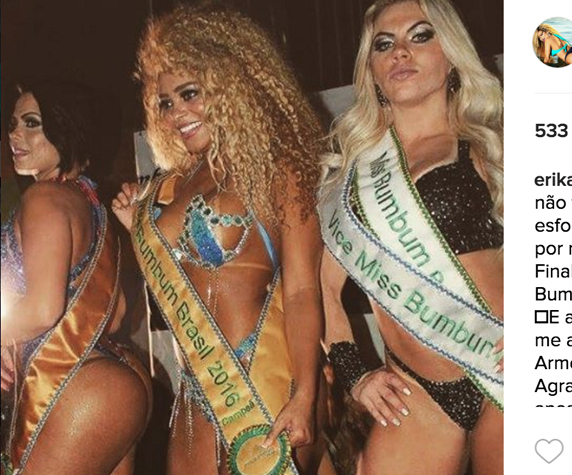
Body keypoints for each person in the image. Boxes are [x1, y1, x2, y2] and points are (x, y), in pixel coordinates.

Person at [112, 4, 334, 475]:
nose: (176, 114)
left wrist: (305, 394)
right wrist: (137, 226)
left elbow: (301, 290)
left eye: (189, 94)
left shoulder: (280, 170)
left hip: (265, 383)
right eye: (165, 103)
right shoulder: (171, 186)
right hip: (196, 392)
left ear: (231, 84)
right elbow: (177, 282)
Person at [319, 0, 504, 474]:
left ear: (452, 56)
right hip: (415, 391)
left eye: (420, 36)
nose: (400, 51)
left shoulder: (493, 145)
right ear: (372, 71)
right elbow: (325, 293)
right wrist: (356, 376)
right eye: (384, 44)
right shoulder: (350, 176)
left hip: (505, 370)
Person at [0, 81, 151, 475]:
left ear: (65, 128)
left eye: (32, 123)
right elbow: (116, 315)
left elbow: (43, 309)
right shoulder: (92, 204)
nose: (15, 134)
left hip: (78, 387)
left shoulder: (43, 199)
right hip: (117, 380)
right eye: (13, 123)